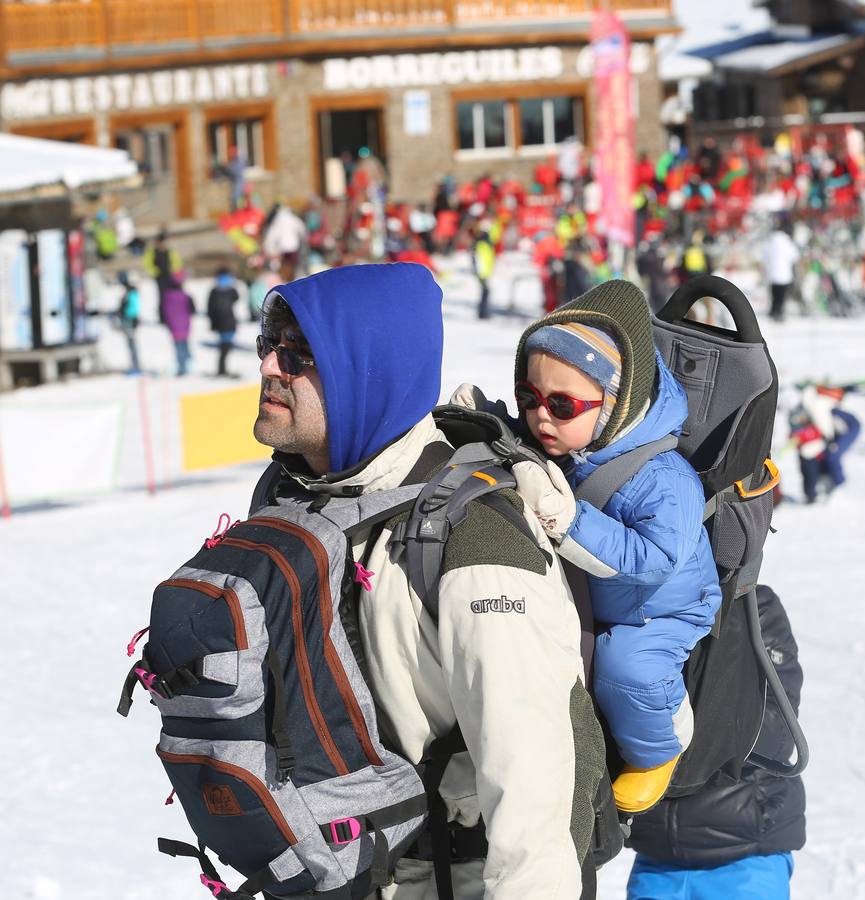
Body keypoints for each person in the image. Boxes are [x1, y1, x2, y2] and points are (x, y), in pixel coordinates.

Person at [250, 264, 604, 899]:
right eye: (269, 344)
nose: (270, 368)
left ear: (367, 370)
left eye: (299, 353)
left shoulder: (475, 538)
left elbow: (534, 789)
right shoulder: (294, 498)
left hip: (445, 877)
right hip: (329, 868)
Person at [473, 281, 723, 814]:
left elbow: (654, 561)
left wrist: (572, 521)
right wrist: (489, 422)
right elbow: (524, 445)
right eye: (529, 398)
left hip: (661, 609)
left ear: (615, 404)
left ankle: (661, 746)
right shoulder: (569, 438)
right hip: (596, 595)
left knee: (625, 669)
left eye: (561, 404)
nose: (541, 417)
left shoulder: (662, 478)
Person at [626, 584, 805, 900]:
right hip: (658, 853)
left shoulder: (753, 608)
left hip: (743, 851)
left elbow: (777, 738)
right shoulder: (637, 609)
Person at [786, 385, 861, 503]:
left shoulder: (817, 405)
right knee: (826, 457)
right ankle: (825, 489)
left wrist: (828, 439)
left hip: (848, 428)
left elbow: (826, 427)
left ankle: (840, 487)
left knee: (832, 455)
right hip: (836, 432)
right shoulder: (808, 409)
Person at [763, 219, 800, 322]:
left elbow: (764, 255)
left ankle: (773, 311)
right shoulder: (787, 241)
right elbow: (795, 256)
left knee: (774, 294)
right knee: (781, 296)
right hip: (784, 274)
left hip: (772, 273)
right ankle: (779, 312)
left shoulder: (770, 240)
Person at [160, 271, 194, 376]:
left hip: (173, 326)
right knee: (184, 343)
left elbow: (162, 311)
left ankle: (182, 367)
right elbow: (192, 309)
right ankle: (188, 362)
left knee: (178, 346)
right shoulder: (185, 295)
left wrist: (165, 321)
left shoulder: (166, 296)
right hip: (185, 324)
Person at [207, 267, 240, 377]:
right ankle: (222, 369)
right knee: (225, 348)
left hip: (219, 323)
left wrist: (212, 323)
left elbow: (210, 309)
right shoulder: (231, 289)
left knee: (223, 347)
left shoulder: (214, 290)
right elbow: (237, 298)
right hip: (229, 321)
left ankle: (222, 369)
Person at [143, 228, 182, 323]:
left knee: (172, 297)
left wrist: (174, 271)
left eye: (163, 242)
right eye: (160, 242)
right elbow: (147, 264)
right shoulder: (152, 252)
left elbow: (177, 263)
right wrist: (155, 271)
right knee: (162, 297)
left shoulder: (170, 252)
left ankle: (172, 315)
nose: (161, 244)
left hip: (170, 277)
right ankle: (162, 317)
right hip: (160, 278)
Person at [114, 270, 141, 374]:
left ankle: (136, 366)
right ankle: (134, 364)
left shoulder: (131, 291)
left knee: (131, 343)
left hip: (129, 320)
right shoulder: (128, 291)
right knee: (130, 343)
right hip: (128, 319)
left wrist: (123, 313)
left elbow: (132, 308)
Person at [472, 222, 496, 320]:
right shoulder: (481, 243)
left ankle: (483, 312)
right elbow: (477, 259)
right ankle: (482, 313)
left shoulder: (485, 243)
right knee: (485, 292)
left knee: (485, 292)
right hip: (482, 272)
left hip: (485, 272)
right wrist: (479, 272)